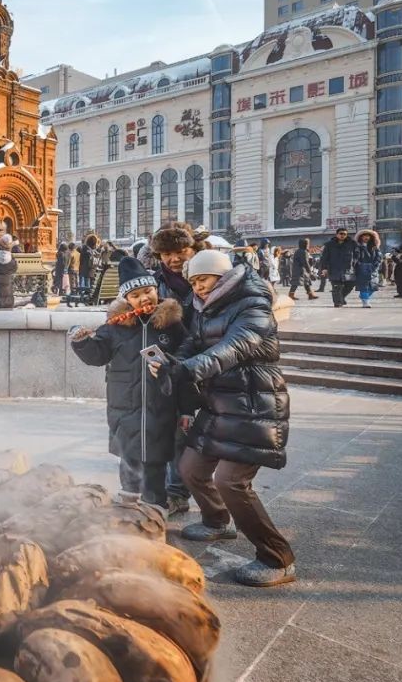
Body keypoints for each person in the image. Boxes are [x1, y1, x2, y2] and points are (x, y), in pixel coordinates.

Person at [151, 248, 294, 588]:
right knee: (190, 468)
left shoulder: (253, 304)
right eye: (194, 282)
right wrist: (172, 361)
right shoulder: (204, 306)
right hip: (219, 403)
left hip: (255, 404)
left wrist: (186, 370)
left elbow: (233, 348)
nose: (197, 288)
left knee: (231, 481)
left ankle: (278, 558)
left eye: (202, 280)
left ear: (221, 275)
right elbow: (195, 343)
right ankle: (217, 521)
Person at [69, 257, 186, 509]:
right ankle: (129, 508)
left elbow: (187, 354)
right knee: (129, 457)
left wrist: (172, 365)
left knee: (155, 462)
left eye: (148, 291)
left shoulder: (172, 325)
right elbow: (97, 355)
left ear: (157, 290)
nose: (144, 298)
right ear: (126, 300)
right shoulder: (115, 328)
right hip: (124, 407)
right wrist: (81, 342)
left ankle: (156, 510)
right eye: (135, 295)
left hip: (161, 407)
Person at [149, 225, 197, 517]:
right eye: (166, 254)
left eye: (180, 251)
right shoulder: (155, 283)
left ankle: (189, 485)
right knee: (175, 429)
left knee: (191, 428)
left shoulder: (205, 278)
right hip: (169, 363)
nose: (174, 259)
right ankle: (176, 492)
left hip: (201, 361)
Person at [320, 227, 361, 307]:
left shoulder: (352, 243)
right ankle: (337, 302)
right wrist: (324, 268)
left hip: (348, 269)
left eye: (345, 234)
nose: (343, 235)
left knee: (350, 285)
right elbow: (324, 257)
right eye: (341, 234)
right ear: (337, 234)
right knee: (336, 287)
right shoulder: (329, 244)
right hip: (334, 268)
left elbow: (357, 254)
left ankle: (341, 298)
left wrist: (353, 262)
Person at [354, 229, 381, 309]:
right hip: (361, 269)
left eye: (368, 236)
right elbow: (355, 257)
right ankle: (365, 302)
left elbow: (379, 257)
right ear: (360, 237)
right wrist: (358, 265)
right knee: (363, 286)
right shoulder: (357, 247)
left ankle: (363, 295)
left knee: (373, 287)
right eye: (364, 236)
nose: (366, 237)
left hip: (373, 269)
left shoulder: (375, 247)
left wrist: (375, 265)